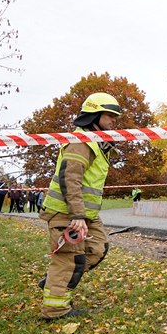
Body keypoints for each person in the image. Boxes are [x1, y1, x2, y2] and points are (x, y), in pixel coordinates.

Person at [38, 92, 121, 320]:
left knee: (97, 249)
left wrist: (84, 216)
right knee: (69, 259)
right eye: (109, 115)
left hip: (86, 215)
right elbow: (70, 178)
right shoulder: (81, 142)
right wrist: (77, 215)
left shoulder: (96, 144)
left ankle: (54, 280)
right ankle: (55, 310)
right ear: (94, 114)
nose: (114, 120)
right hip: (67, 213)